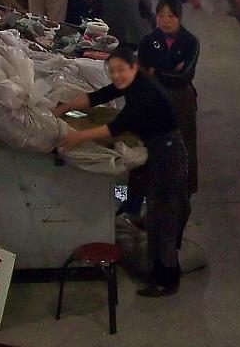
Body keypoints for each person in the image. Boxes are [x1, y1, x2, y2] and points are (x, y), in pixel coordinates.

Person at [55, 48, 191, 297]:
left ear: (134, 67)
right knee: (156, 215)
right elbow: (98, 96)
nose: (116, 75)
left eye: (121, 69)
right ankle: (158, 271)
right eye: (112, 71)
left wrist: (79, 136)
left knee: (163, 219)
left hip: (170, 156)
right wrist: (62, 109)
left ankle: (168, 280)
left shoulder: (143, 92)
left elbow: (116, 127)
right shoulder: (131, 83)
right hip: (161, 153)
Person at [138, 0, 201, 196]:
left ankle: (183, 187)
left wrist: (156, 71)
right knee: (151, 145)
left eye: (171, 16)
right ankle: (150, 189)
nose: (165, 20)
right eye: (161, 15)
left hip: (181, 100)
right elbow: (141, 70)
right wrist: (169, 70)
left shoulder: (191, 42)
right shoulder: (148, 40)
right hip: (153, 98)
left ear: (179, 18)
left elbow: (184, 76)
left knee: (183, 144)